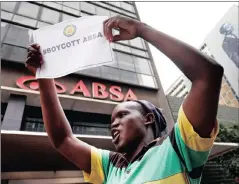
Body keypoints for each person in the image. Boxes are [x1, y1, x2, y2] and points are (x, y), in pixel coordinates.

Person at [26, 16, 223, 184]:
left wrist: (141, 29)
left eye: (122, 115)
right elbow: (63, 140)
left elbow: (208, 75)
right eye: (112, 121)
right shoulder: (110, 166)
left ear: (148, 119)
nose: (113, 125)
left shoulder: (177, 150)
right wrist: (44, 76)